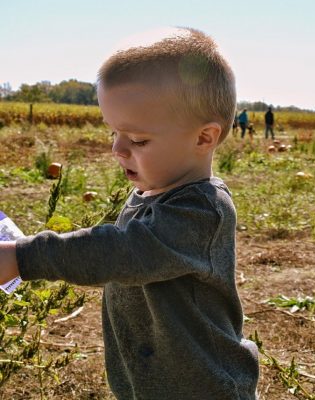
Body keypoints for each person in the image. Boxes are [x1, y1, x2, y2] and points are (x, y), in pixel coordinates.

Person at [0, 28, 259, 399]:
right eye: (113, 133)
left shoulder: (202, 209)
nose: (118, 149)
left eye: (137, 140)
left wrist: (23, 256)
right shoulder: (149, 194)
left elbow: (125, 253)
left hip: (206, 388)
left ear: (204, 138)